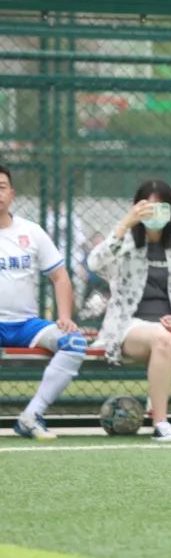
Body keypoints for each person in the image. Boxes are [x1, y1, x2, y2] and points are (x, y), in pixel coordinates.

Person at [88, 179, 171, 442]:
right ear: (136, 209)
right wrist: (125, 224)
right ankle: (160, 423)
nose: (154, 213)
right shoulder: (125, 242)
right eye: (147, 207)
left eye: (161, 207)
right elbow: (95, 263)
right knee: (162, 339)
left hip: (170, 323)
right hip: (129, 324)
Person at [0, 165, 85, 440]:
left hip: (26, 325)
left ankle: (31, 416)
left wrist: (65, 316)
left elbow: (60, 277)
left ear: (12, 194)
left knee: (74, 342)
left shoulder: (31, 231)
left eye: (1, 187)